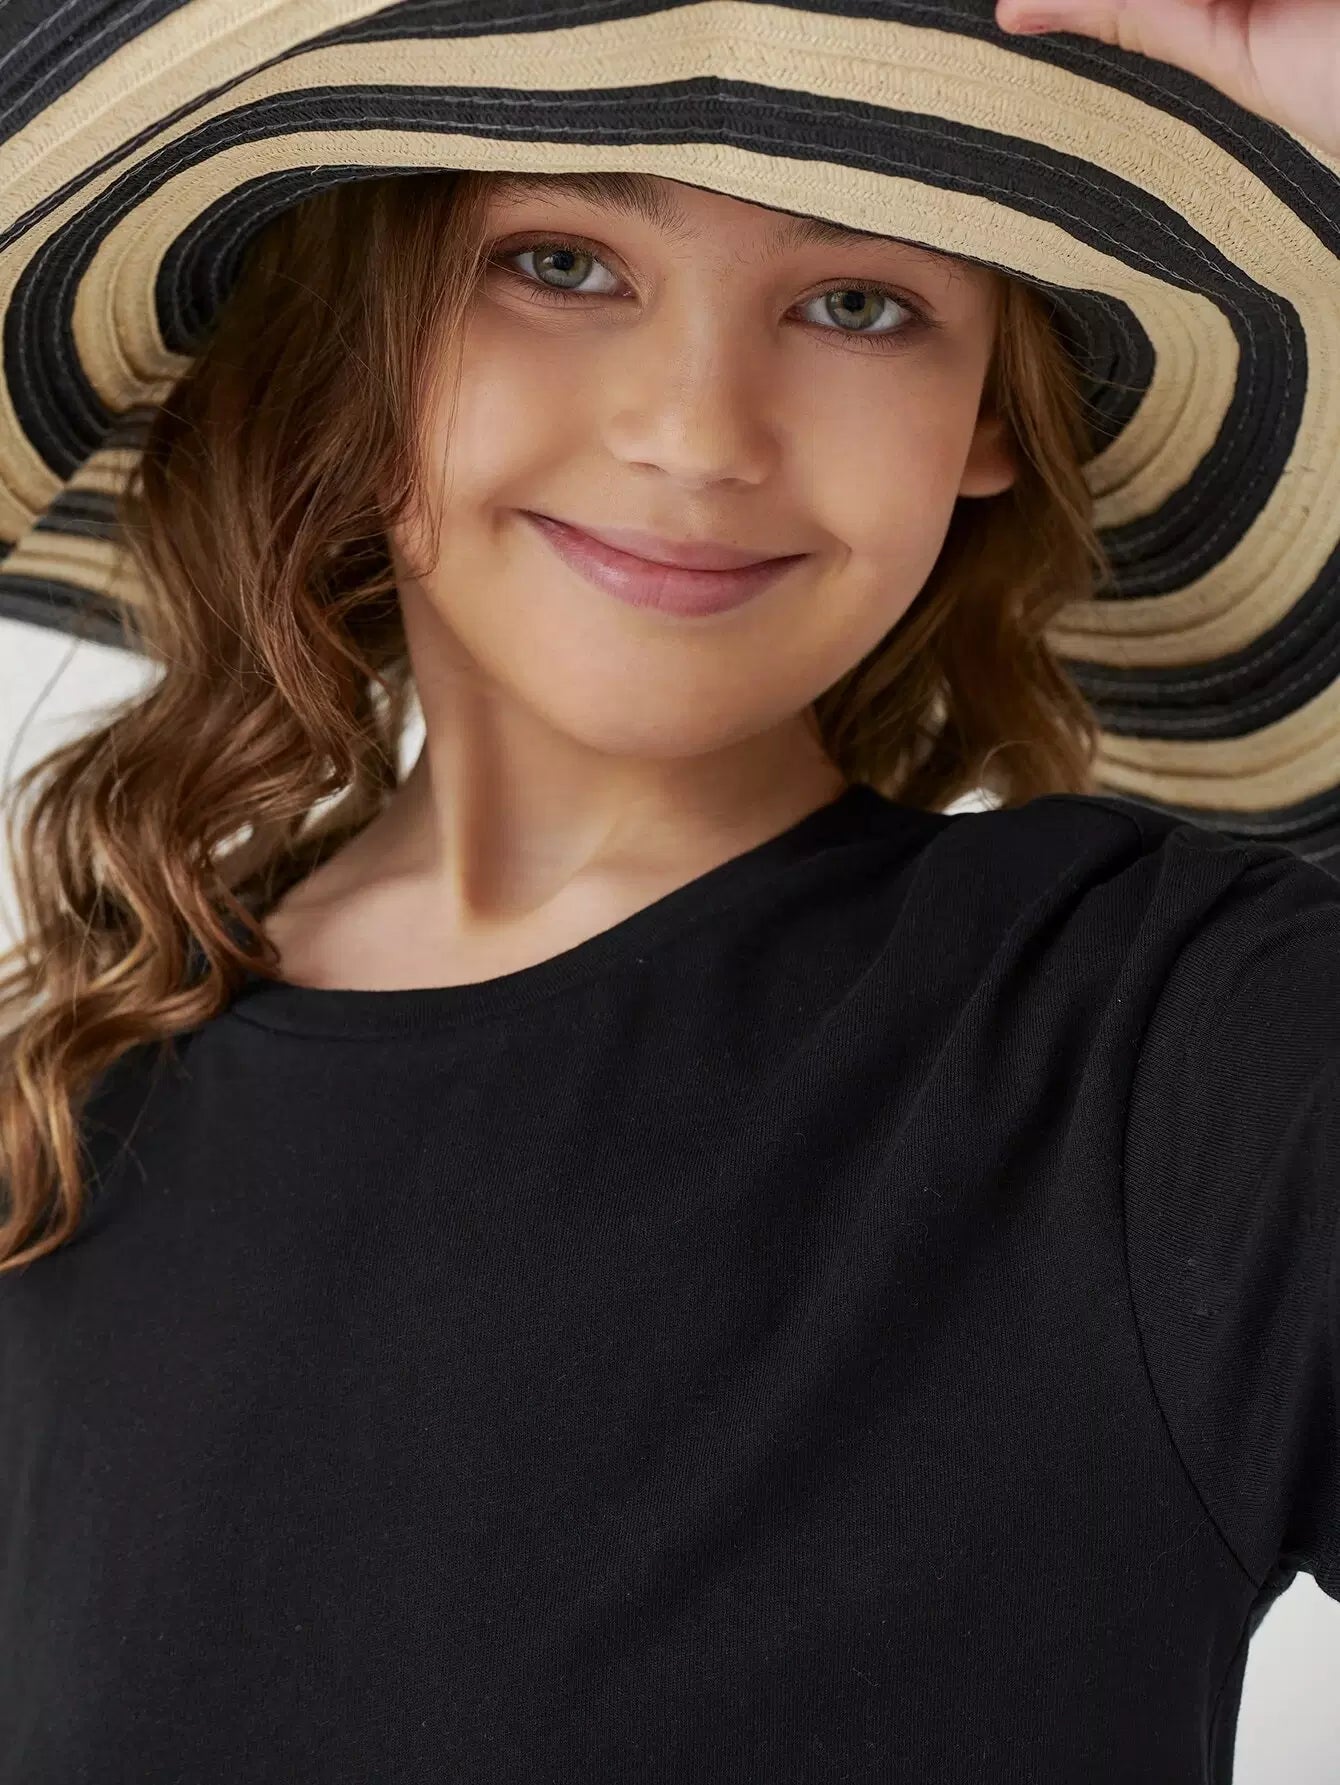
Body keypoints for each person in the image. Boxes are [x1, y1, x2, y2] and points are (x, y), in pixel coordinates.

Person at [0, 1, 1337, 1780]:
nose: (700, 434)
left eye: (859, 301)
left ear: (992, 416)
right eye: (560, 263)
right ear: (351, 339)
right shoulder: (73, 1110)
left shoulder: (1171, 1048)